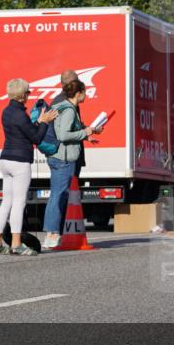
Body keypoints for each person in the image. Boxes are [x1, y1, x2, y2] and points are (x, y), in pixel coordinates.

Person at [0, 79, 58, 255]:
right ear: (23, 95)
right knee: (19, 203)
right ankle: (16, 244)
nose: (29, 95)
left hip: (5, 159)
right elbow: (36, 138)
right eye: (28, 93)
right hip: (20, 162)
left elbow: (25, 131)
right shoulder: (20, 114)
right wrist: (45, 122)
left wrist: (39, 122)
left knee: (6, 202)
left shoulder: (7, 112)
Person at [42, 80, 100, 249]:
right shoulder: (68, 110)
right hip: (64, 159)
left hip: (57, 157)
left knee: (57, 194)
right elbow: (64, 135)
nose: (86, 95)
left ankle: (53, 233)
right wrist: (84, 132)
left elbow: (67, 130)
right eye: (84, 92)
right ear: (78, 93)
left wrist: (87, 135)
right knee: (58, 195)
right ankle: (52, 233)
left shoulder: (61, 106)